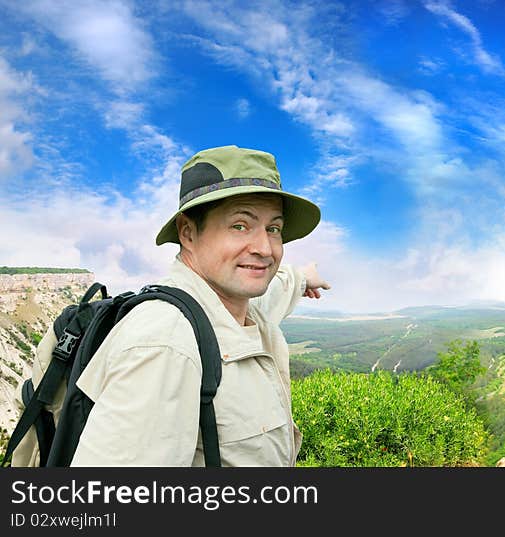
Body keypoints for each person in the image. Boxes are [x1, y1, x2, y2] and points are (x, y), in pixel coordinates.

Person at [69, 144, 330, 466]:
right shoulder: (165, 344)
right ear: (188, 233)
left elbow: (275, 289)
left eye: (273, 229)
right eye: (240, 225)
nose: (265, 248)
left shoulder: (236, 308)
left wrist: (304, 278)